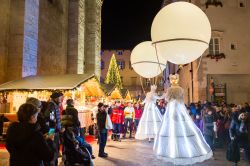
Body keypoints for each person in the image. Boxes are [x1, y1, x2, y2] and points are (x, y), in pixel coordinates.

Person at [154, 74, 212, 165]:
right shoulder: (180, 89)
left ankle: (174, 150)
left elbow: (167, 99)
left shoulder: (170, 89)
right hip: (180, 109)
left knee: (172, 128)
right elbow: (181, 99)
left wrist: (170, 99)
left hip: (172, 109)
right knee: (184, 127)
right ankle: (184, 149)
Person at [45, 91, 64, 166]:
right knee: (53, 146)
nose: (61, 99)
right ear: (56, 98)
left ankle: (54, 161)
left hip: (54, 129)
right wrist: (54, 121)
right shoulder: (51, 104)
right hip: (52, 129)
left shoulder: (54, 104)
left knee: (54, 146)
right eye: (60, 97)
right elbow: (48, 115)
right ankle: (53, 162)